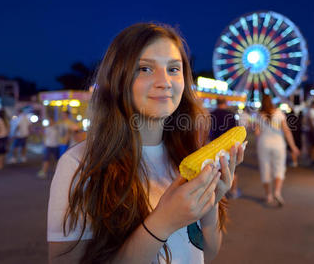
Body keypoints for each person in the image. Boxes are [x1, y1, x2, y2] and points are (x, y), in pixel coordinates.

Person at [47, 23, 245, 264]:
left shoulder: (187, 155)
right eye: (145, 68)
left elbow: (208, 253)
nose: (164, 82)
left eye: (174, 69)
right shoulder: (80, 164)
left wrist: (210, 204)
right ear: (117, 78)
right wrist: (163, 222)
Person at [254, 94, 299, 206]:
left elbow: (257, 133)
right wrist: (293, 147)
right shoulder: (279, 114)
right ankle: (277, 192)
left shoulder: (259, 115)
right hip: (278, 144)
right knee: (279, 168)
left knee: (265, 169)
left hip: (264, 144)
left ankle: (268, 195)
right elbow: (287, 131)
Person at [210, 98, 242, 199]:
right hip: (229, 146)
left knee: (216, 169)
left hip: (214, 145)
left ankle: (217, 192)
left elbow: (208, 131)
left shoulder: (211, 114)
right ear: (225, 103)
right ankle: (234, 191)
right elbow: (236, 130)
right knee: (232, 168)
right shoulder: (231, 115)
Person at [303, 100, 314, 166]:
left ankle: (313, 158)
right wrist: (313, 129)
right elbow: (310, 121)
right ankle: (313, 159)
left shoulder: (312, 111)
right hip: (311, 130)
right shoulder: (311, 111)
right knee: (313, 145)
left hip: (311, 130)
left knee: (313, 145)